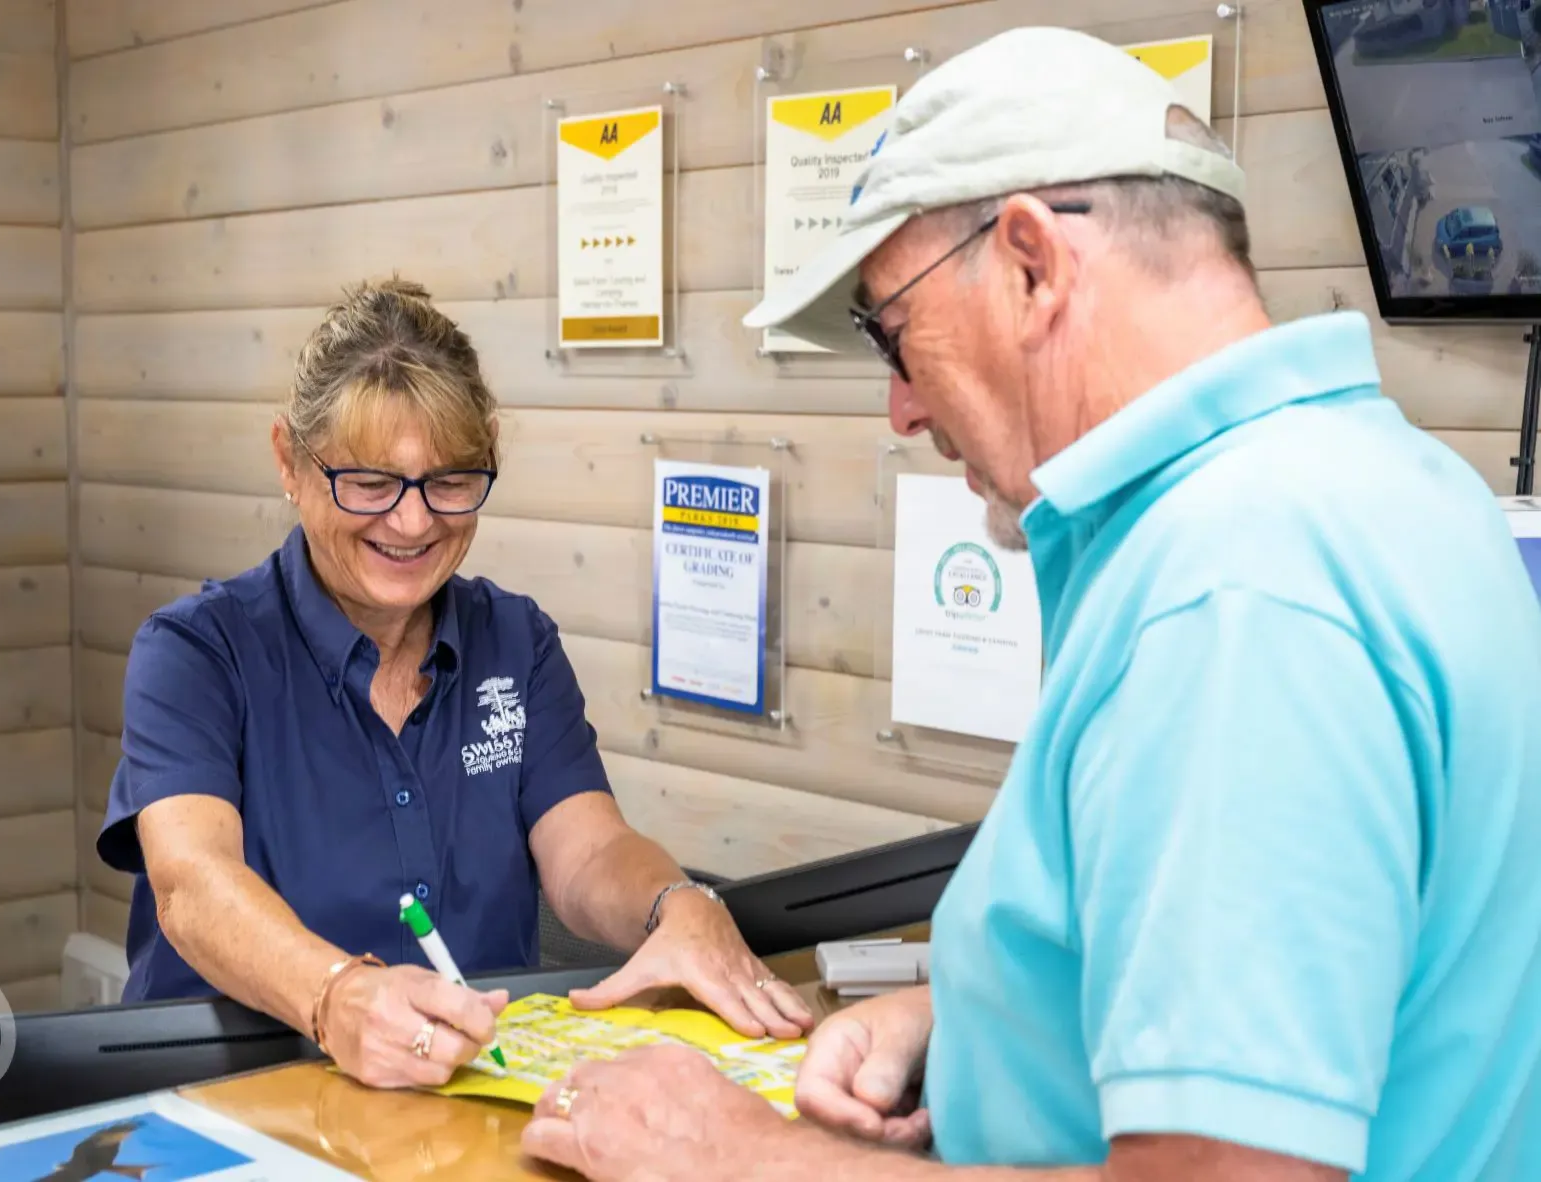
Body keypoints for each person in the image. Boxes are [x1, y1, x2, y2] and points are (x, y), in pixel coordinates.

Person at [519, 26, 1541, 1182]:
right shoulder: (1397, 485)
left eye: (890, 335)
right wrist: (975, 1026)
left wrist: (738, 1157)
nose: (901, 409)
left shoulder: (1231, 594)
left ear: (1030, 263)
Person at [96, 277, 814, 1092]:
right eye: (369, 483)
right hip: (240, 1095)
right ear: (289, 463)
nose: (412, 523)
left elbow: (588, 854)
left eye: (449, 482)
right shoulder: (196, 652)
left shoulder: (516, 642)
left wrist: (676, 904)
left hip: (463, 1096)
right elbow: (193, 885)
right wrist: (336, 996)